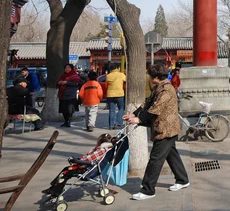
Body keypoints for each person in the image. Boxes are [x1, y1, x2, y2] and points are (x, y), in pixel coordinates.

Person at [124, 63, 190, 200]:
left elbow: (156, 109)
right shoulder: (159, 88)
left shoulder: (166, 90)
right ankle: (183, 180)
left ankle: (148, 190)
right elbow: (147, 103)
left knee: (155, 159)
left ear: (154, 77)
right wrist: (134, 114)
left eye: (149, 75)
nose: (148, 78)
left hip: (166, 129)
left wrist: (139, 119)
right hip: (164, 127)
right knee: (172, 155)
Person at [42, 134, 113, 202]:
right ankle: (53, 188)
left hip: (88, 170)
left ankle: (56, 193)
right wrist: (77, 159)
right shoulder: (104, 149)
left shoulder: (101, 150)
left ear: (100, 142)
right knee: (66, 169)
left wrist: (76, 160)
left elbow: (88, 159)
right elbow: (87, 158)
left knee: (66, 173)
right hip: (88, 167)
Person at [106, 63, 126, 130]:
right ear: (118, 68)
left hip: (110, 94)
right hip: (119, 94)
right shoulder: (121, 75)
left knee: (112, 110)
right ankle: (118, 123)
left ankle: (111, 125)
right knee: (121, 108)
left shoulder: (108, 76)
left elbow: (106, 86)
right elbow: (125, 81)